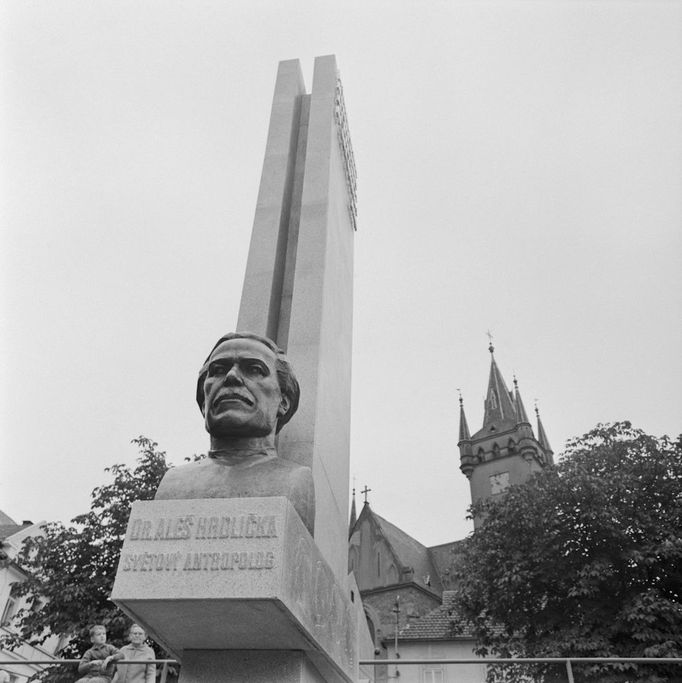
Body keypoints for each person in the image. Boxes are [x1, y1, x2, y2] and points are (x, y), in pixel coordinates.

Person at [154, 332, 315, 534]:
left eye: (255, 370)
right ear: (204, 402)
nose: (231, 377)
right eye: (218, 370)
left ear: (283, 402)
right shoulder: (174, 484)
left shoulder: (294, 481)